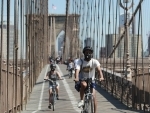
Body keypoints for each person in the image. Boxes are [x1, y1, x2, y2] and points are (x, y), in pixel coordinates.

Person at [74, 46, 104, 113]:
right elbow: (77, 70)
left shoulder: (94, 61)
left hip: (91, 81)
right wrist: (76, 78)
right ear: (84, 53)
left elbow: (99, 70)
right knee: (83, 85)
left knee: (94, 97)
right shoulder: (80, 61)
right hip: (83, 79)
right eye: (86, 52)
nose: (88, 54)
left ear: (92, 54)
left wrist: (101, 77)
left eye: (89, 52)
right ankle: (81, 100)